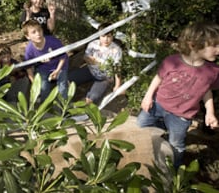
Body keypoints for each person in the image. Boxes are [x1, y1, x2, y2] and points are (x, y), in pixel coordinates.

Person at [137, 21, 219, 168]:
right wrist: (148, 97)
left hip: (182, 115)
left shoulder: (212, 71)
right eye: (215, 45)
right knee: (141, 126)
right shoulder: (172, 61)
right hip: (158, 105)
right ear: (193, 44)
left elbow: (207, 90)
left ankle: (175, 170)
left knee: (176, 143)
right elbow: (158, 78)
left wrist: (210, 113)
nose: (218, 49)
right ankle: (144, 154)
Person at [68, 22, 122, 105]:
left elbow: (117, 68)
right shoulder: (93, 44)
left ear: (113, 36)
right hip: (89, 71)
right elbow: (85, 57)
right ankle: (65, 101)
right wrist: (92, 61)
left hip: (104, 77)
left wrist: (117, 85)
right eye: (103, 36)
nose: (106, 39)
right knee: (67, 79)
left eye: (108, 36)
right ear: (99, 35)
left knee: (93, 97)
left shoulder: (116, 50)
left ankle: (80, 108)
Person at [22, 19, 68, 102]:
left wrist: (57, 71)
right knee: (43, 89)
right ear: (27, 36)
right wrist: (35, 83)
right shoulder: (29, 50)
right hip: (43, 68)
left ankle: (64, 108)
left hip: (60, 66)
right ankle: (45, 109)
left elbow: (63, 57)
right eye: (34, 32)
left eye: (39, 30)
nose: (38, 34)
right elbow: (28, 67)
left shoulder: (53, 41)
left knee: (62, 88)